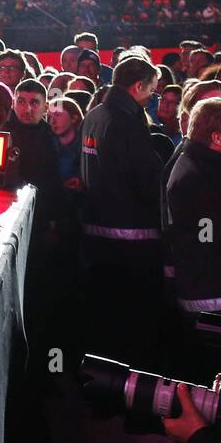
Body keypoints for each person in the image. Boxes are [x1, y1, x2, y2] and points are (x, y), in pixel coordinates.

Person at [78, 55, 166, 368]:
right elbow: (147, 180)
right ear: (138, 86)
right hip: (131, 241)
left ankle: (99, 389)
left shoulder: (95, 114)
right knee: (130, 324)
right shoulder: (127, 122)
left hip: (97, 234)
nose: (152, 98)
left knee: (104, 318)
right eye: (152, 91)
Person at [165, 99, 221, 324]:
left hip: (210, 289)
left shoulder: (201, 166)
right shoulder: (202, 178)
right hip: (218, 296)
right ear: (217, 138)